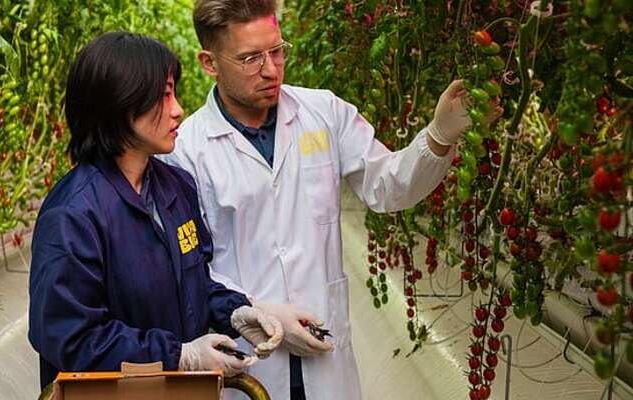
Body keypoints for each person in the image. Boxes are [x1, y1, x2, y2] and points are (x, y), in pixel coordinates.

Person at [160, 1, 494, 399]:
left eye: (276, 51)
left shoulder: (323, 113)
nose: (270, 69)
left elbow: (387, 186)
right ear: (209, 62)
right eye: (250, 58)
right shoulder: (187, 150)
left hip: (325, 355)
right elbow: (189, 266)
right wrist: (259, 310)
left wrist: (438, 136)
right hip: (249, 360)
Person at [27, 31, 284, 390]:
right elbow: (71, 337)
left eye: (173, 93)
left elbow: (194, 281)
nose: (177, 108)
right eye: (163, 96)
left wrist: (234, 311)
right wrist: (177, 355)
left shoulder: (176, 188)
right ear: (119, 103)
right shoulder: (73, 214)